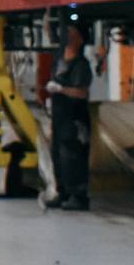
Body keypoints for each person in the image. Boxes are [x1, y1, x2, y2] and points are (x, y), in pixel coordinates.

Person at [43, 21, 94, 211]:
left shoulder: (80, 65)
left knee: (73, 156)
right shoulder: (59, 59)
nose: (67, 36)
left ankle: (78, 196)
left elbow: (82, 92)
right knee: (57, 154)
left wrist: (61, 89)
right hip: (59, 117)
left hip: (75, 119)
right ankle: (62, 192)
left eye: (72, 33)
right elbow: (49, 31)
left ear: (80, 38)